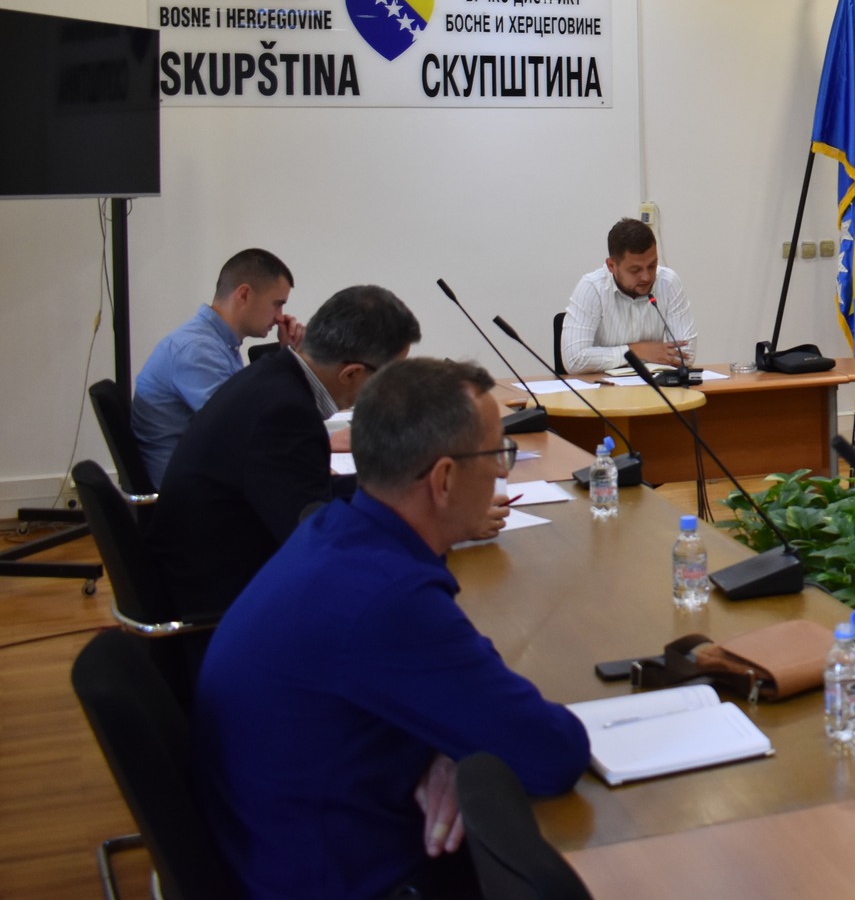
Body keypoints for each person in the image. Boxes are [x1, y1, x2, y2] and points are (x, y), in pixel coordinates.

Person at [193, 357, 590, 900]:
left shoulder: (334, 530)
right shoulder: (387, 599)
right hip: (344, 879)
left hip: (272, 844)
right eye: (497, 453)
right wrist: (470, 744)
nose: (503, 472)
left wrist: (453, 747)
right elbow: (553, 752)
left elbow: (446, 695)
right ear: (444, 479)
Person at [148, 285, 454, 617]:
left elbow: (310, 490)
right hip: (223, 604)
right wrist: (435, 524)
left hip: (219, 568)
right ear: (351, 373)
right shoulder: (283, 412)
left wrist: (413, 490)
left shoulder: (273, 378)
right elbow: (315, 542)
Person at [130, 248, 302, 488]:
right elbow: (247, 430)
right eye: (277, 304)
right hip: (189, 493)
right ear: (244, 294)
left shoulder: (217, 343)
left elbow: (254, 413)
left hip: (201, 476)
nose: (279, 317)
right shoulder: (197, 350)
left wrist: (288, 355)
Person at [560, 217, 697, 373]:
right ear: (611, 266)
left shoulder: (668, 282)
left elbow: (686, 355)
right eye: (635, 270)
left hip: (653, 385)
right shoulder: (592, 288)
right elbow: (574, 360)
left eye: (652, 266)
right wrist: (636, 351)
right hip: (601, 386)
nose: (646, 277)